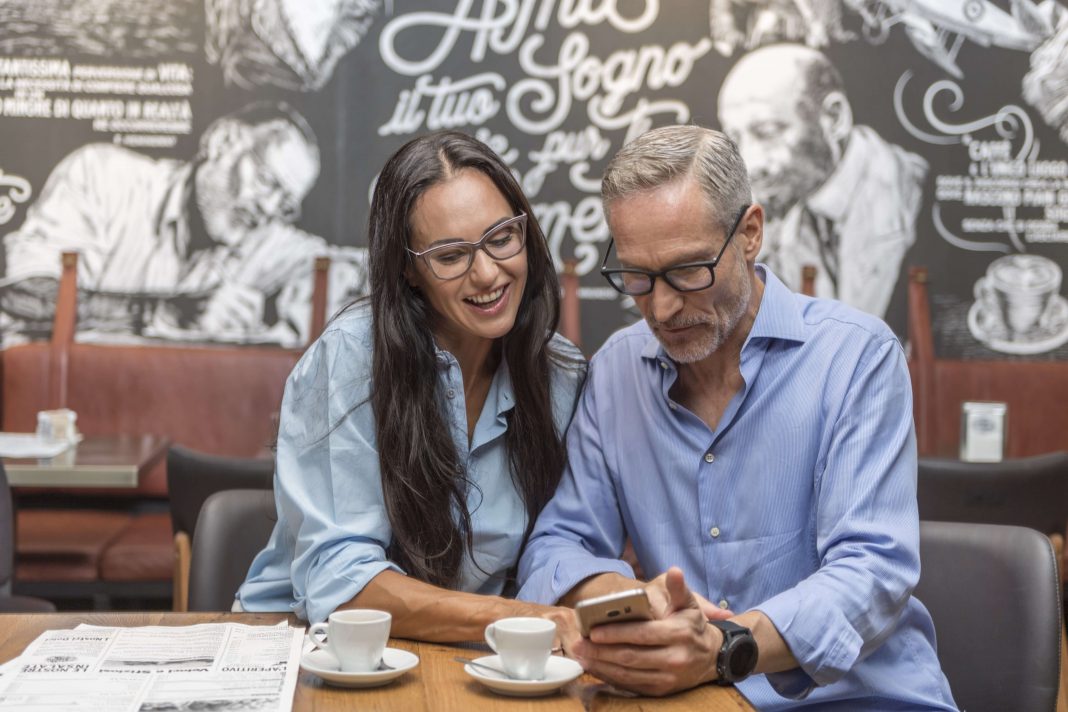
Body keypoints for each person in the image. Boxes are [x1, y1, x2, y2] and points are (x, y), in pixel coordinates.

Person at [517, 125, 957, 710]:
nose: (664, 308)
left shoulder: (857, 357)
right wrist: (636, 603)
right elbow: (556, 546)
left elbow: (872, 570)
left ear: (750, 233)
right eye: (638, 278)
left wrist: (725, 645)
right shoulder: (617, 371)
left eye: (688, 271)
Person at [237, 131, 586, 641]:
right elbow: (344, 586)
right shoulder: (351, 359)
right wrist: (524, 621)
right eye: (450, 256)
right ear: (409, 270)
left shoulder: (561, 375)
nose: (487, 273)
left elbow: (560, 547)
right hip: (301, 643)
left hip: (461, 652)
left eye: (502, 239)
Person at [1, 100, 325, 345]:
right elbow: (21, 296)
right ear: (223, 142)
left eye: (285, 205)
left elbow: (346, 265)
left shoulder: (265, 236)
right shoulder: (104, 176)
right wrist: (168, 314)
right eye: (267, 181)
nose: (267, 208)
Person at [717, 43, 928, 317]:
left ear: (834, 118)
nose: (750, 164)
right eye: (735, 139)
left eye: (767, 132)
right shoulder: (775, 203)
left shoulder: (917, 194)